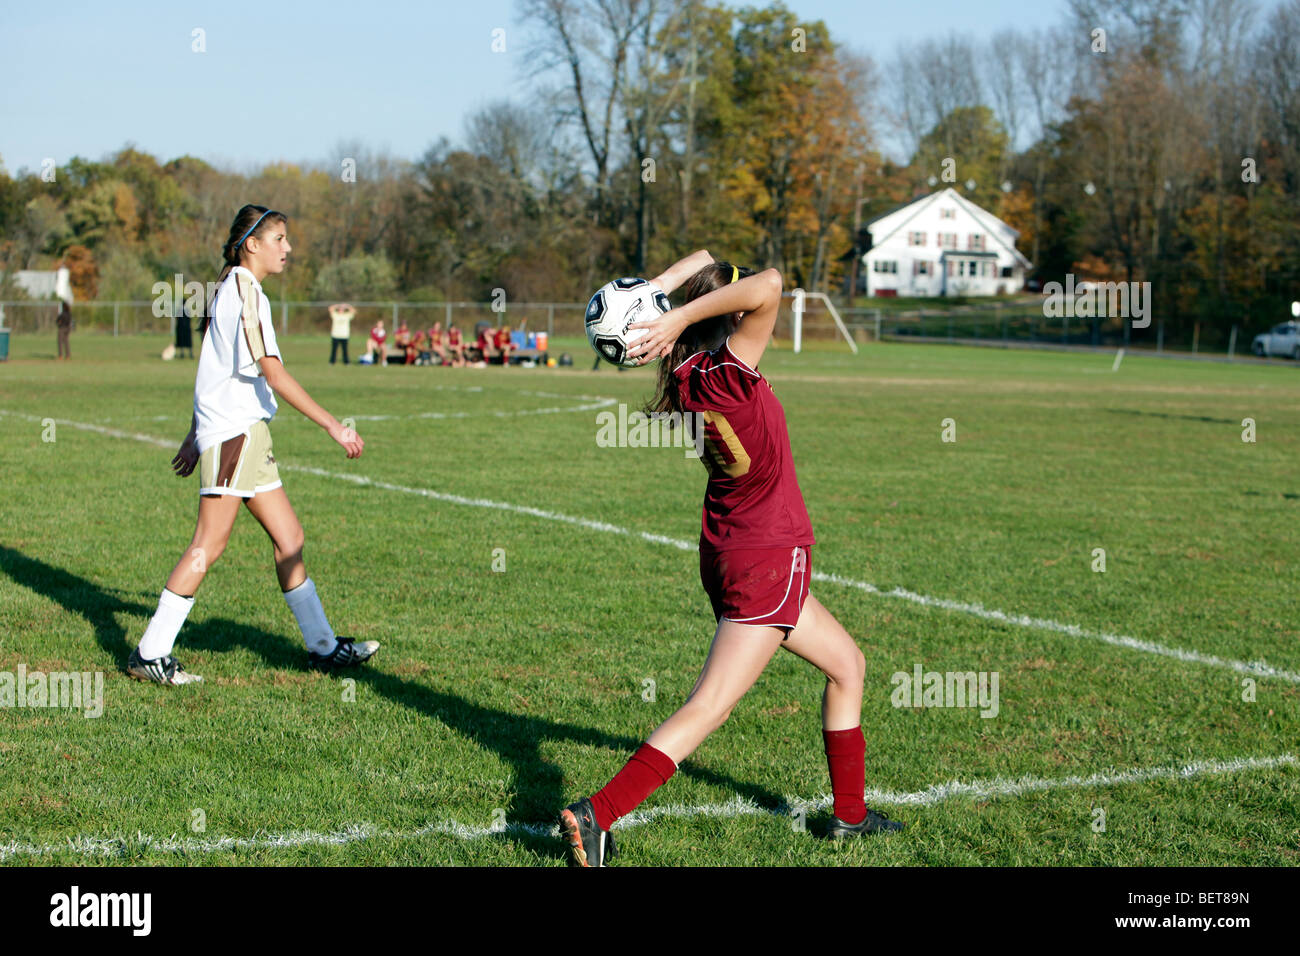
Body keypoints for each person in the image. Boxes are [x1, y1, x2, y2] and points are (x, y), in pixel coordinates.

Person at [558, 251, 902, 866]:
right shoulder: (729, 373)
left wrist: (660, 295)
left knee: (848, 665)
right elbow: (771, 284)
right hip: (766, 557)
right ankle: (598, 814)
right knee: (709, 704)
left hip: (730, 549)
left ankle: (850, 817)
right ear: (727, 317)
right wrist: (676, 306)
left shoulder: (687, 374)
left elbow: (712, 261)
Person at [126, 204, 379, 686]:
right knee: (208, 544)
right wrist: (333, 426)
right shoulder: (244, 290)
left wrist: (192, 435)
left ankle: (323, 648)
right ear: (252, 245)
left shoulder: (235, 289)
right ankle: (150, 652)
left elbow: (215, 374)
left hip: (246, 435)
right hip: (236, 436)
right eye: (279, 238)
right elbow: (274, 372)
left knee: (290, 539)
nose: (288, 248)